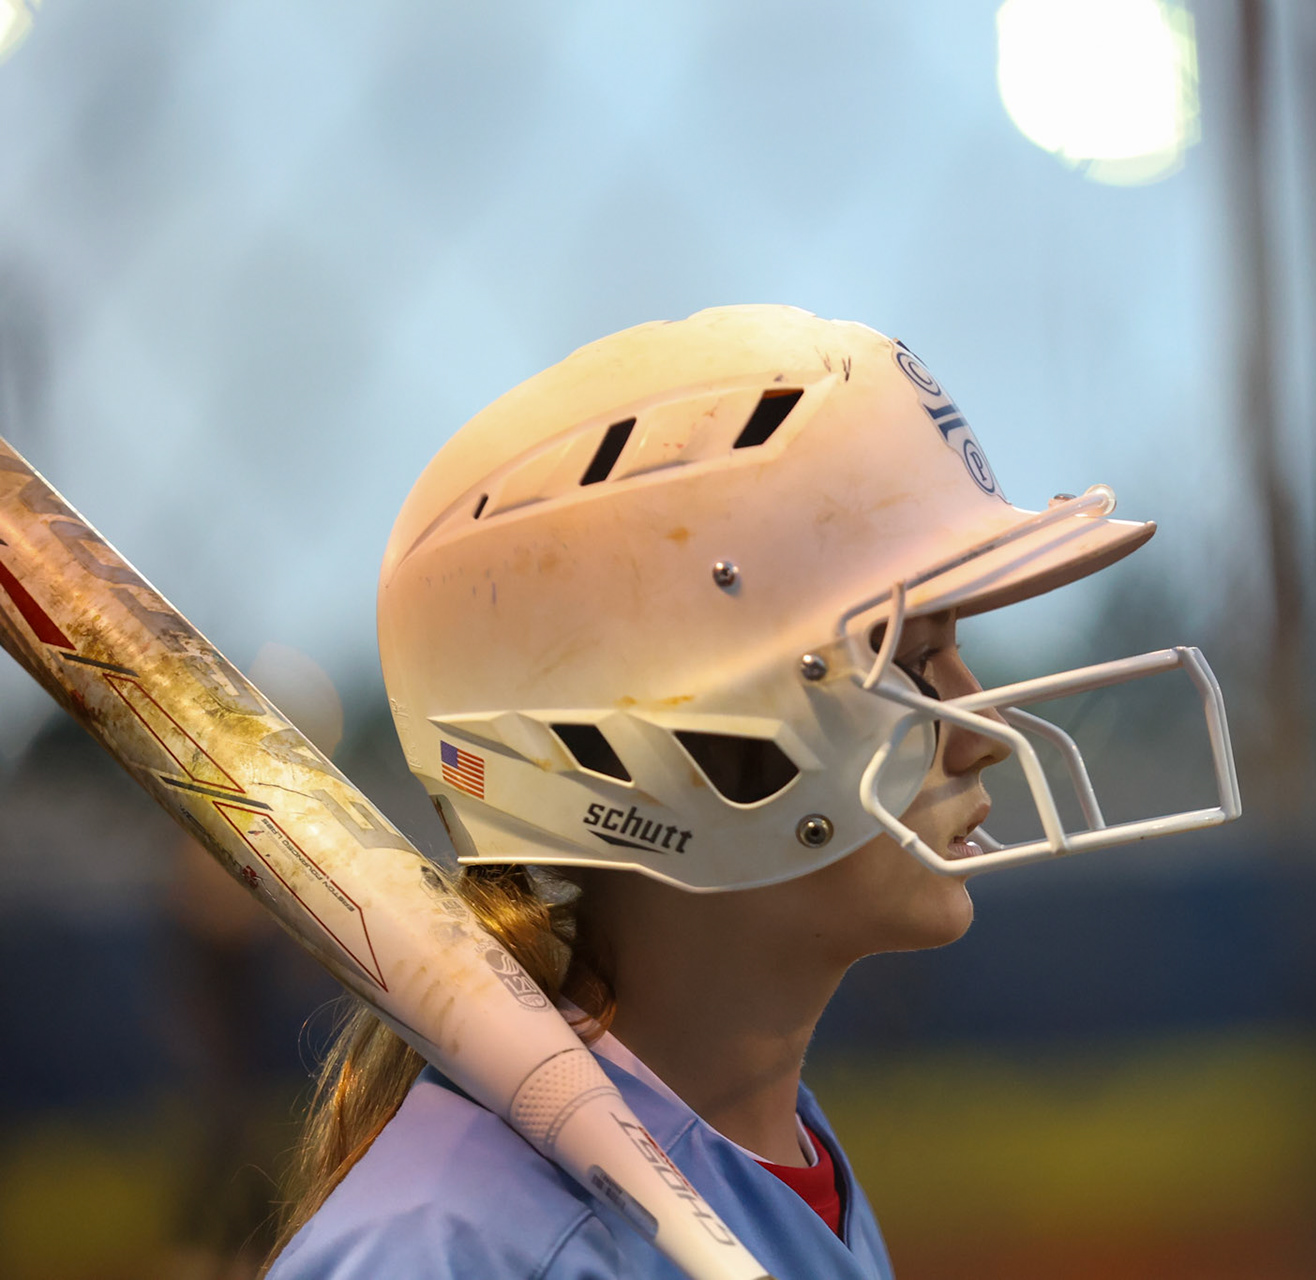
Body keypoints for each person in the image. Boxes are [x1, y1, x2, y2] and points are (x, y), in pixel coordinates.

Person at [264, 305, 1237, 1279]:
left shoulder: (766, 1166)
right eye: (910, 657)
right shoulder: (449, 1248)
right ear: (677, 741)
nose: (977, 734)